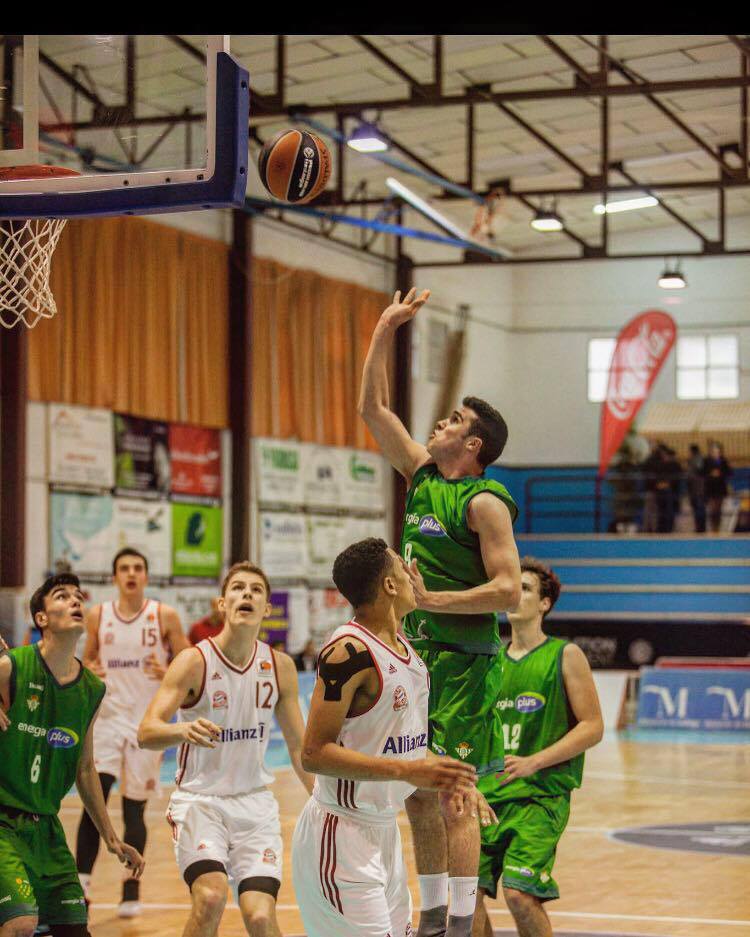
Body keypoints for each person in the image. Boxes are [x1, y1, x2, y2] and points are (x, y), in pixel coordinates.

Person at [359, 287, 522, 937]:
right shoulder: (423, 472)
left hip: (463, 663)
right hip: (415, 657)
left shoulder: (485, 503)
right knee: (418, 789)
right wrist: (384, 328)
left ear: (474, 442)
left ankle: (458, 925)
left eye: (453, 419)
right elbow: (373, 408)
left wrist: (432, 600)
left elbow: (509, 589)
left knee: (452, 792)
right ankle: (433, 919)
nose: (440, 422)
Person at [293, 538, 486, 937]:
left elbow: (407, 745)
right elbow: (313, 753)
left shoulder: (408, 654)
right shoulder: (348, 651)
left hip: (383, 834)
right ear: (389, 586)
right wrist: (405, 771)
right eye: (402, 565)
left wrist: (454, 775)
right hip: (340, 833)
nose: (413, 573)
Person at [138, 561, 313, 937]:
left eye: (255, 590)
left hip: (255, 806)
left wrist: (324, 802)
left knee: (262, 918)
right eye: (237, 588)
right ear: (222, 603)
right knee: (211, 898)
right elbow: (146, 732)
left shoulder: (278, 666)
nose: (246, 594)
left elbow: (299, 746)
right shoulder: (193, 661)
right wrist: (182, 729)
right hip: (200, 802)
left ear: (267, 608)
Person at [0, 573, 144, 937]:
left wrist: (111, 837)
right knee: (20, 923)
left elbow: (84, 769)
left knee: (75, 929)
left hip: (46, 829)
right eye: (62, 596)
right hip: (2, 822)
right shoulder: (11, 666)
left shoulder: (93, 690)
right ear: (42, 619)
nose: (75, 601)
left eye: (79, 596)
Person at [473, 558, 603, 937]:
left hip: (538, 798)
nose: (515, 595)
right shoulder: (488, 659)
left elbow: (593, 726)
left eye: (526, 589)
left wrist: (535, 762)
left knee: (519, 895)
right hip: (486, 798)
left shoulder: (565, 655)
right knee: (464, 898)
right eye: (513, 588)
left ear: (545, 603)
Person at [75, 547, 188, 917]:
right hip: (106, 720)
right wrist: (91, 667)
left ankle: (131, 888)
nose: (131, 573)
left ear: (146, 576)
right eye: (124, 568)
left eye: (137, 567)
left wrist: (168, 669)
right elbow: (88, 661)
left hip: (145, 724)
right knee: (96, 802)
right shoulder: (98, 615)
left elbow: (190, 667)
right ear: (114, 577)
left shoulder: (163, 615)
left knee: (134, 809)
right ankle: (82, 887)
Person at [704, 441, 733, 533]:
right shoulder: (707, 461)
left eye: (717, 450)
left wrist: (720, 473)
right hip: (710, 488)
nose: (715, 452)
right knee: (712, 508)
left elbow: (729, 472)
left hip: (720, 488)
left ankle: (717, 527)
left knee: (718, 508)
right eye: (713, 450)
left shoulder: (723, 461)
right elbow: (701, 472)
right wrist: (710, 474)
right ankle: (713, 527)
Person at [686, 443, 706, 533]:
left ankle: (701, 528)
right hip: (694, 489)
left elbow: (698, 470)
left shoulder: (697, 460)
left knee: (699, 508)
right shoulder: (692, 461)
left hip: (698, 490)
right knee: (697, 509)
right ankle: (699, 527)